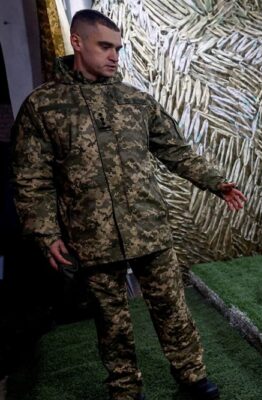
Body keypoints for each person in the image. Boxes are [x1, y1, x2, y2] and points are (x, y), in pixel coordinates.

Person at [11, 9, 247, 400]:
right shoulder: (44, 107)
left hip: (149, 228)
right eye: (105, 46)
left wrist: (215, 182)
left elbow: (176, 152)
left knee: (173, 309)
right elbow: (30, 179)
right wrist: (46, 233)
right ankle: (125, 388)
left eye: (118, 48)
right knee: (112, 321)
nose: (114, 56)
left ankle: (193, 377)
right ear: (77, 42)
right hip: (92, 237)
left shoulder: (136, 102)